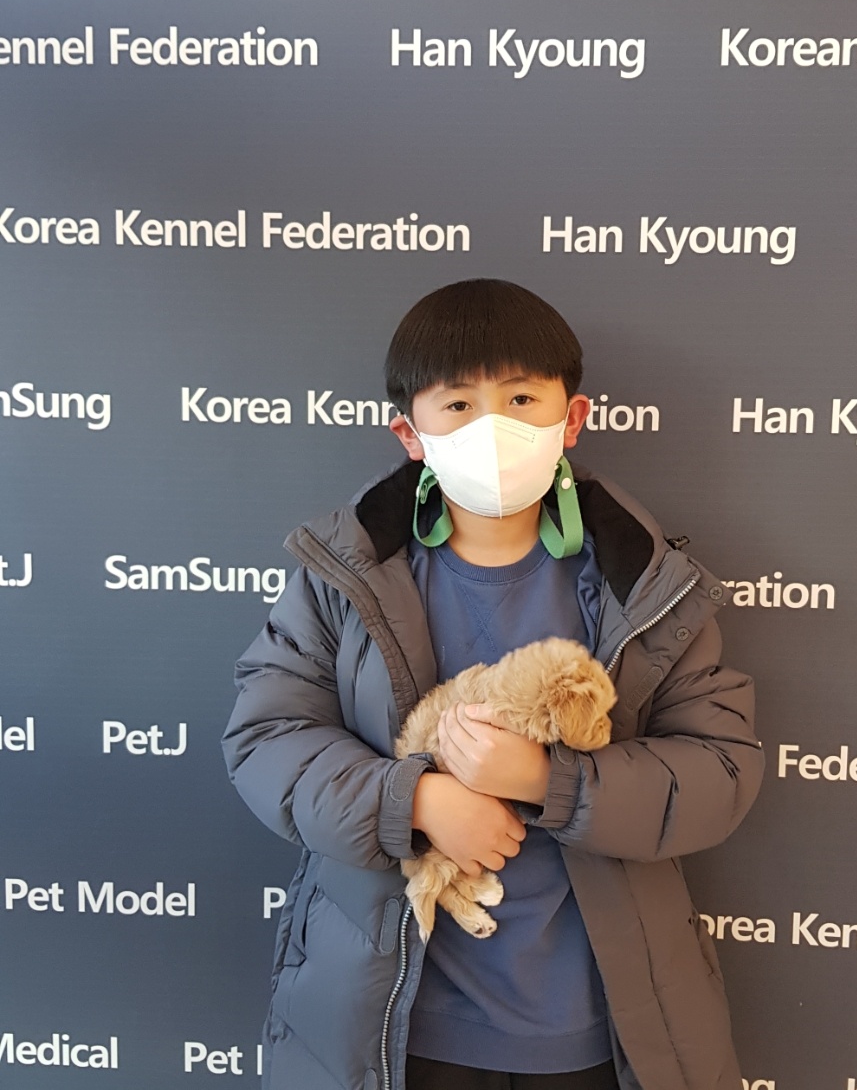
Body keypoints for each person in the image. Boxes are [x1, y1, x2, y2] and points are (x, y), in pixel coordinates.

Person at [222, 279, 764, 1090]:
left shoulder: (647, 588)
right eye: (458, 405)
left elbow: (719, 768)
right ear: (410, 434)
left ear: (569, 419)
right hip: (395, 1024)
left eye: (519, 398)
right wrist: (415, 801)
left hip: (593, 1026)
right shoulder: (342, 575)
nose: (492, 427)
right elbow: (268, 737)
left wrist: (549, 780)